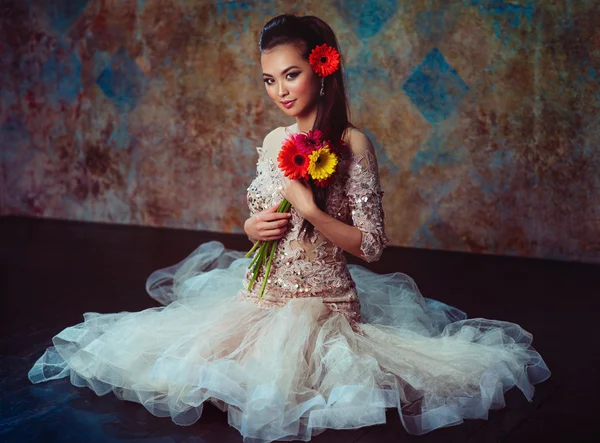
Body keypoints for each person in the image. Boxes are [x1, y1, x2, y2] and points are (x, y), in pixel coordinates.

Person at [28, 14, 550, 442]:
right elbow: (260, 217)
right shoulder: (274, 139)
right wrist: (254, 229)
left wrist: (314, 210)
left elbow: (371, 247)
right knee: (183, 371)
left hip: (320, 302)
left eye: (291, 74)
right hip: (260, 295)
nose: (279, 90)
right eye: (269, 79)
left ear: (323, 67)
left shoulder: (352, 144)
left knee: (289, 387)